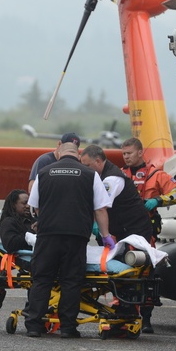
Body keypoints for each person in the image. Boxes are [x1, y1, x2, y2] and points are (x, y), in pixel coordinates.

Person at [23, 140, 112, 339]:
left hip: (48, 235)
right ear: (78, 155)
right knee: (71, 281)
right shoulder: (91, 175)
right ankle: (68, 328)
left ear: (59, 153)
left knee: (42, 279)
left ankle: (34, 326)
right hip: (76, 236)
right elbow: (100, 209)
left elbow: (35, 206)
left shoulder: (44, 173)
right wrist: (106, 236)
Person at [79, 144, 158, 333]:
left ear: (98, 161)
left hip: (135, 232)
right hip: (123, 230)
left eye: (87, 165)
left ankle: (140, 316)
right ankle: (124, 309)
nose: (85, 170)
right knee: (124, 274)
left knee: (135, 273)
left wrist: (99, 227)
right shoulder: (102, 175)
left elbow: (101, 205)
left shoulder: (111, 179)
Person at [120, 137, 176, 244]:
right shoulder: (119, 174)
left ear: (140, 153)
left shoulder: (156, 175)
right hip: (122, 227)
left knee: (145, 258)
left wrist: (157, 200)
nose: (126, 157)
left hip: (146, 228)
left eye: (129, 153)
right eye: (124, 154)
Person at [0, 188, 35, 253]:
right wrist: (32, 232)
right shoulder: (8, 222)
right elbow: (10, 244)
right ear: (13, 205)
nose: (28, 206)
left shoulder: (32, 220)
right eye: (24, 203)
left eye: (29, 203)